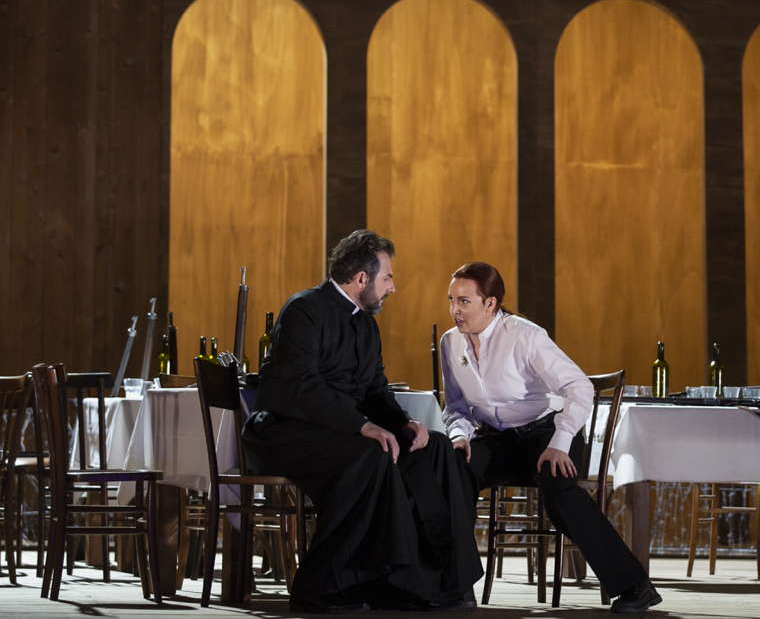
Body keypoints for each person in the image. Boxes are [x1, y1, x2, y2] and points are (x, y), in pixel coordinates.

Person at [243, 230, 482, 613]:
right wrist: (362, 426)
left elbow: (374, 390)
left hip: (340, 431)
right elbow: (301, 387)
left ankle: (428, 582)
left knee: (434, 448)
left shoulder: (367, 326)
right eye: (387, 277)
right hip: (285, 432)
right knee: (369, 454)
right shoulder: (304, 310)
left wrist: (404, 424)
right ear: (361, 279)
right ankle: (322, 589)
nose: (393, 287)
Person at [440, 261, 662, 614]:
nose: (455, 310)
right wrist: (459, 435)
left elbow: (579, 388)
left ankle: (635, 586)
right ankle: (457, 586)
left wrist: (559, 442)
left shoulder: (526, 335)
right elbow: (456, 406)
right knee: (452, 468)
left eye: (464, 301)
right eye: (451, 300)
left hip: (550, 432)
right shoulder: (450, 343)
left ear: (491, 303)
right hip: (498, 439)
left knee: (558, 488)